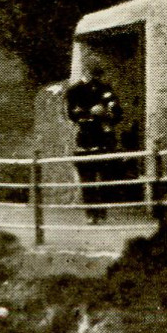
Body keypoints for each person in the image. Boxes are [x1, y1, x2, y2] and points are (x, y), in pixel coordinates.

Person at [66, 67, 123, 222]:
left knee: (105, 176)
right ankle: (91, 213)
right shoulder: (74, 91)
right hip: (85, 138)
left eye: (96, 75)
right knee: (87, 178)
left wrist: (106, 113)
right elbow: (73, 113)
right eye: (91, 74)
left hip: (103, 138)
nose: (93, 78)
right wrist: (90, 113)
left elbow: (117, 113)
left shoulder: (105, 89)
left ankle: (102, 209)